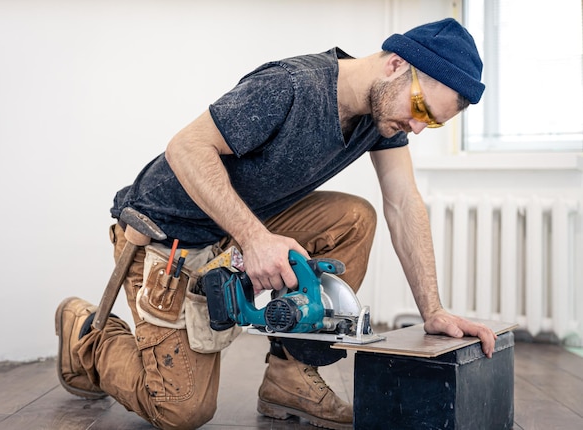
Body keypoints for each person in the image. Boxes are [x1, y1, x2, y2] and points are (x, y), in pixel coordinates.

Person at [55, 17, 497, 430]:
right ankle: (85, 334)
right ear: (396, 65)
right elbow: (186, 148)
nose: (417, 128)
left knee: (353, 219)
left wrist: (433, 311)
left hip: (231, 228)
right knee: (180, 409)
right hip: (166, 235)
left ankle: (291, 374)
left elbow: (403, 201)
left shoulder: (382, 117)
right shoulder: (289, 86)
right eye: (420, 108)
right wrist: (254, 238)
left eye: (431, 123)